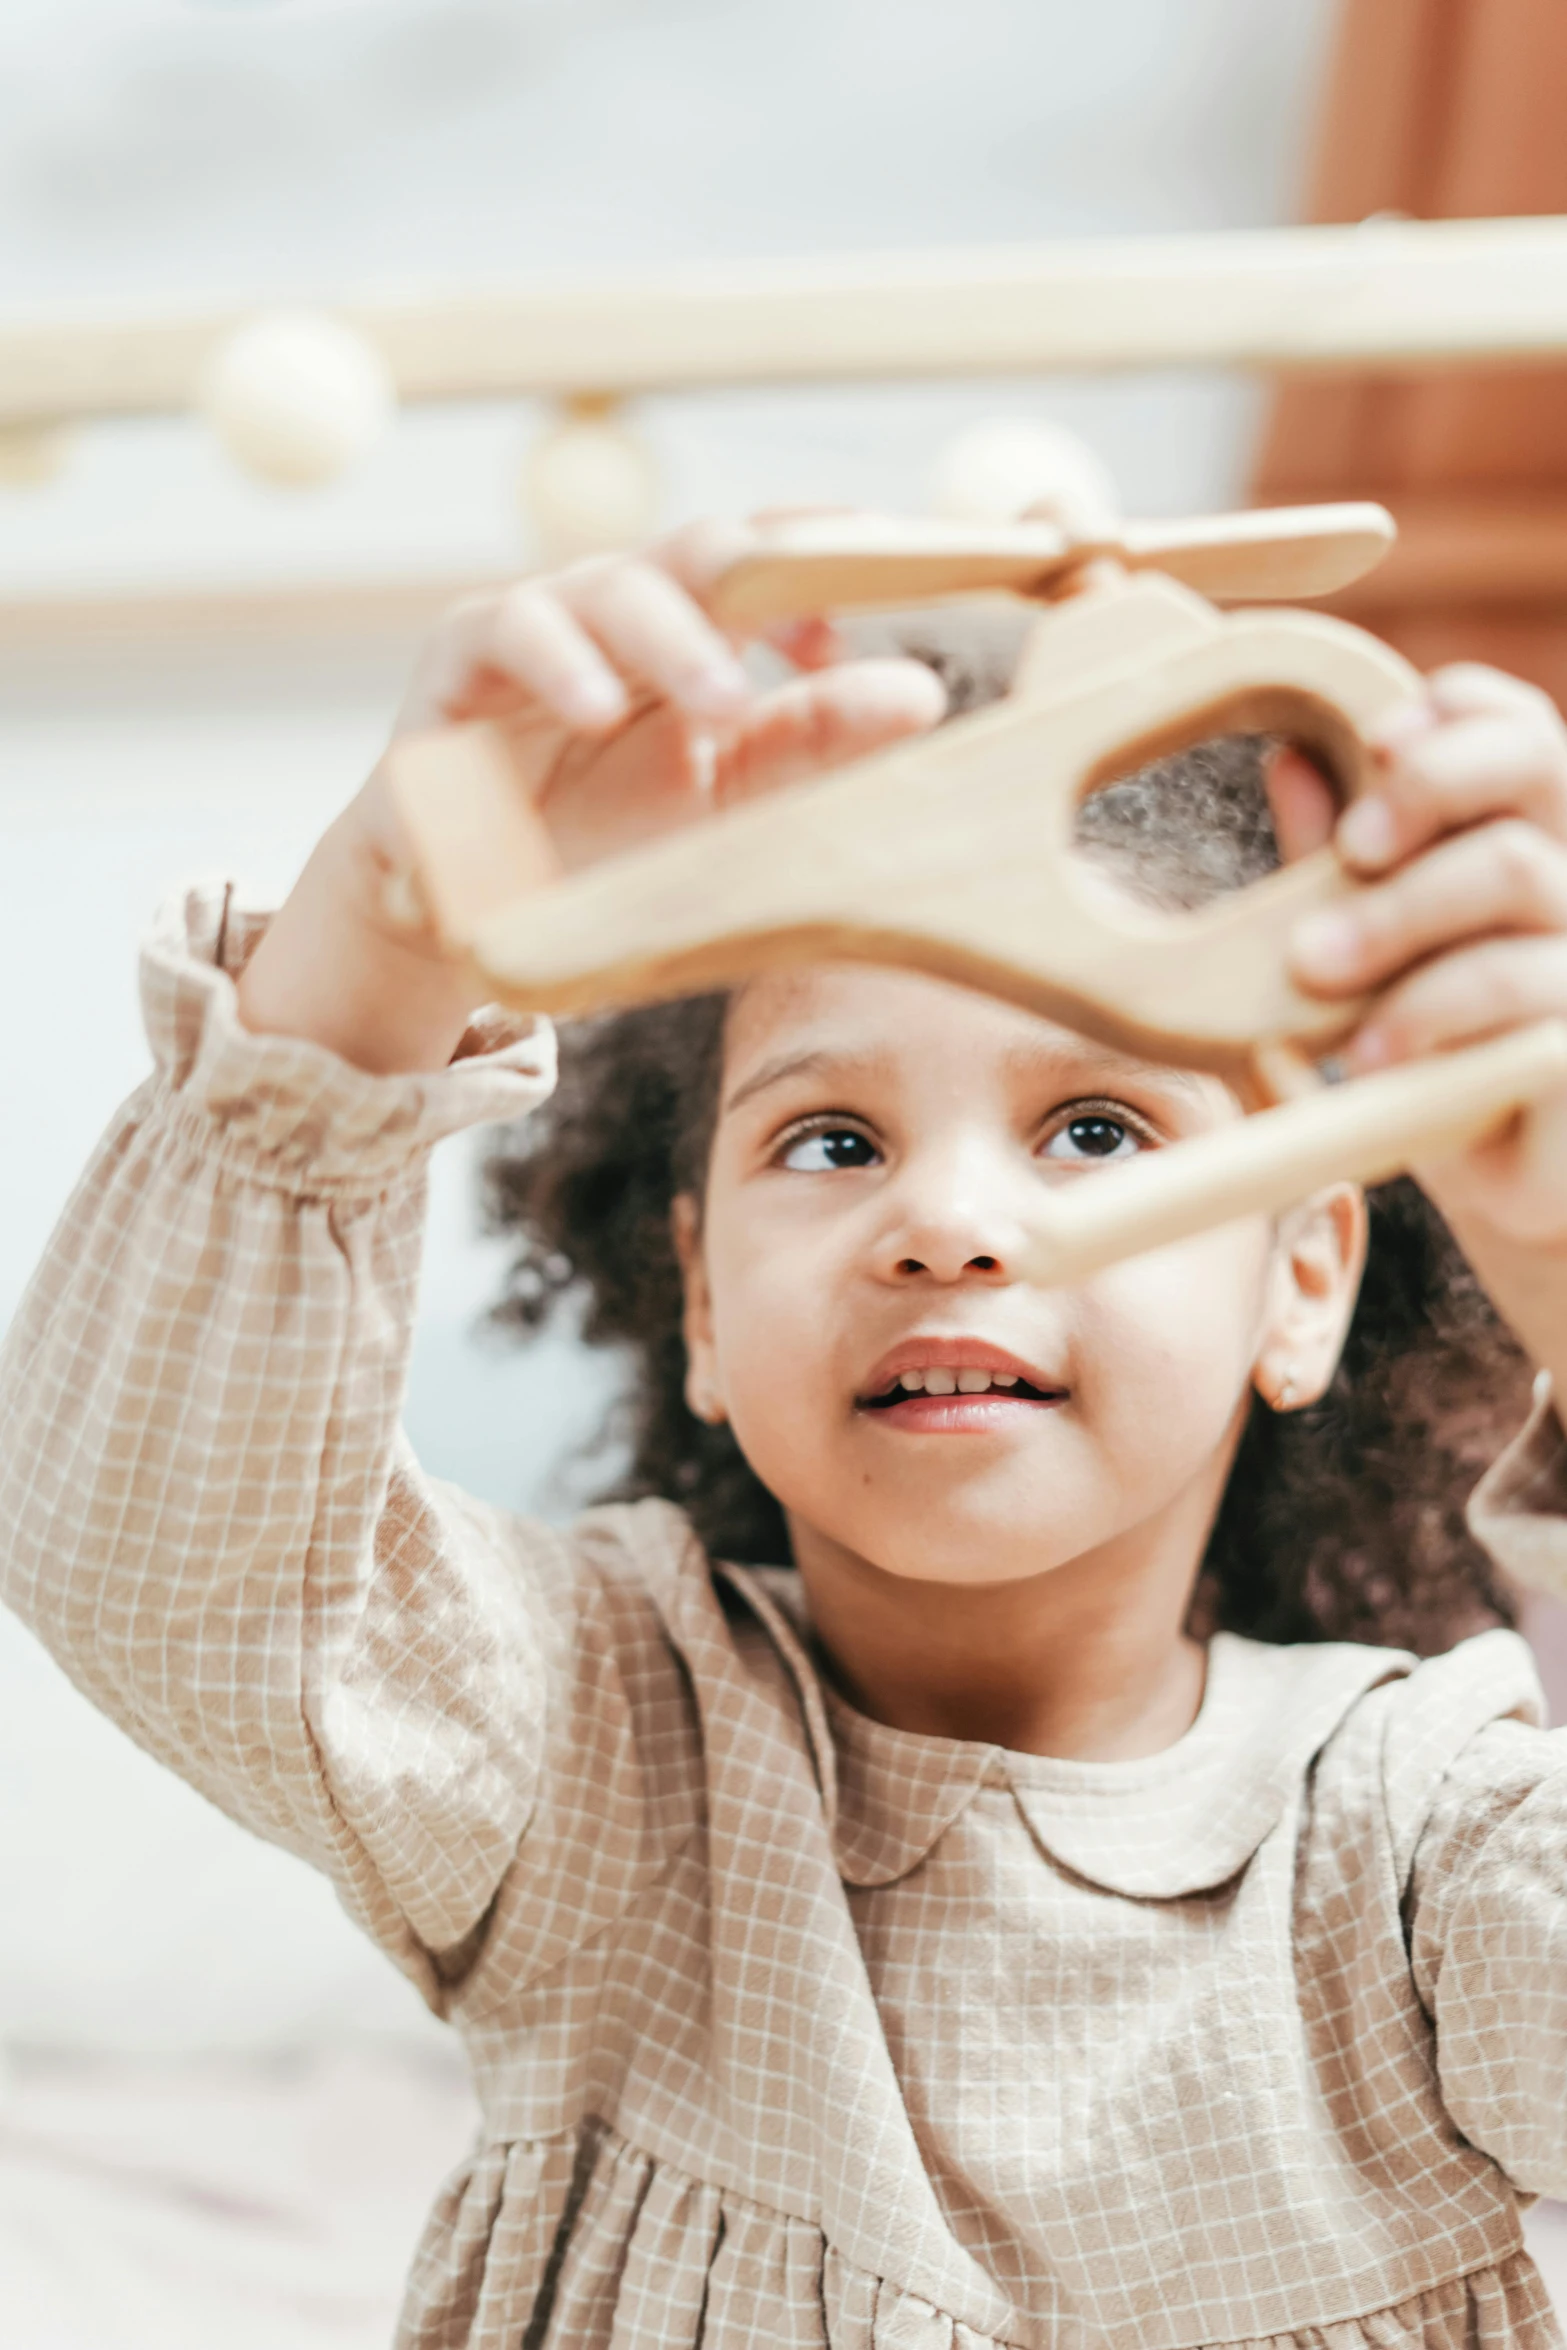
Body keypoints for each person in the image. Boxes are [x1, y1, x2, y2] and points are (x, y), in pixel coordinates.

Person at [5, 518, 1567, 2350]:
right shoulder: (595, 1747)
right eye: (831, 1142)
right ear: (698, 1308)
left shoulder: (1420, 1843)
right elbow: (159, 1556)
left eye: (1093, 1127)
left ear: (1302, 1277)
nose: (947, 1223)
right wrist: (385, 936)